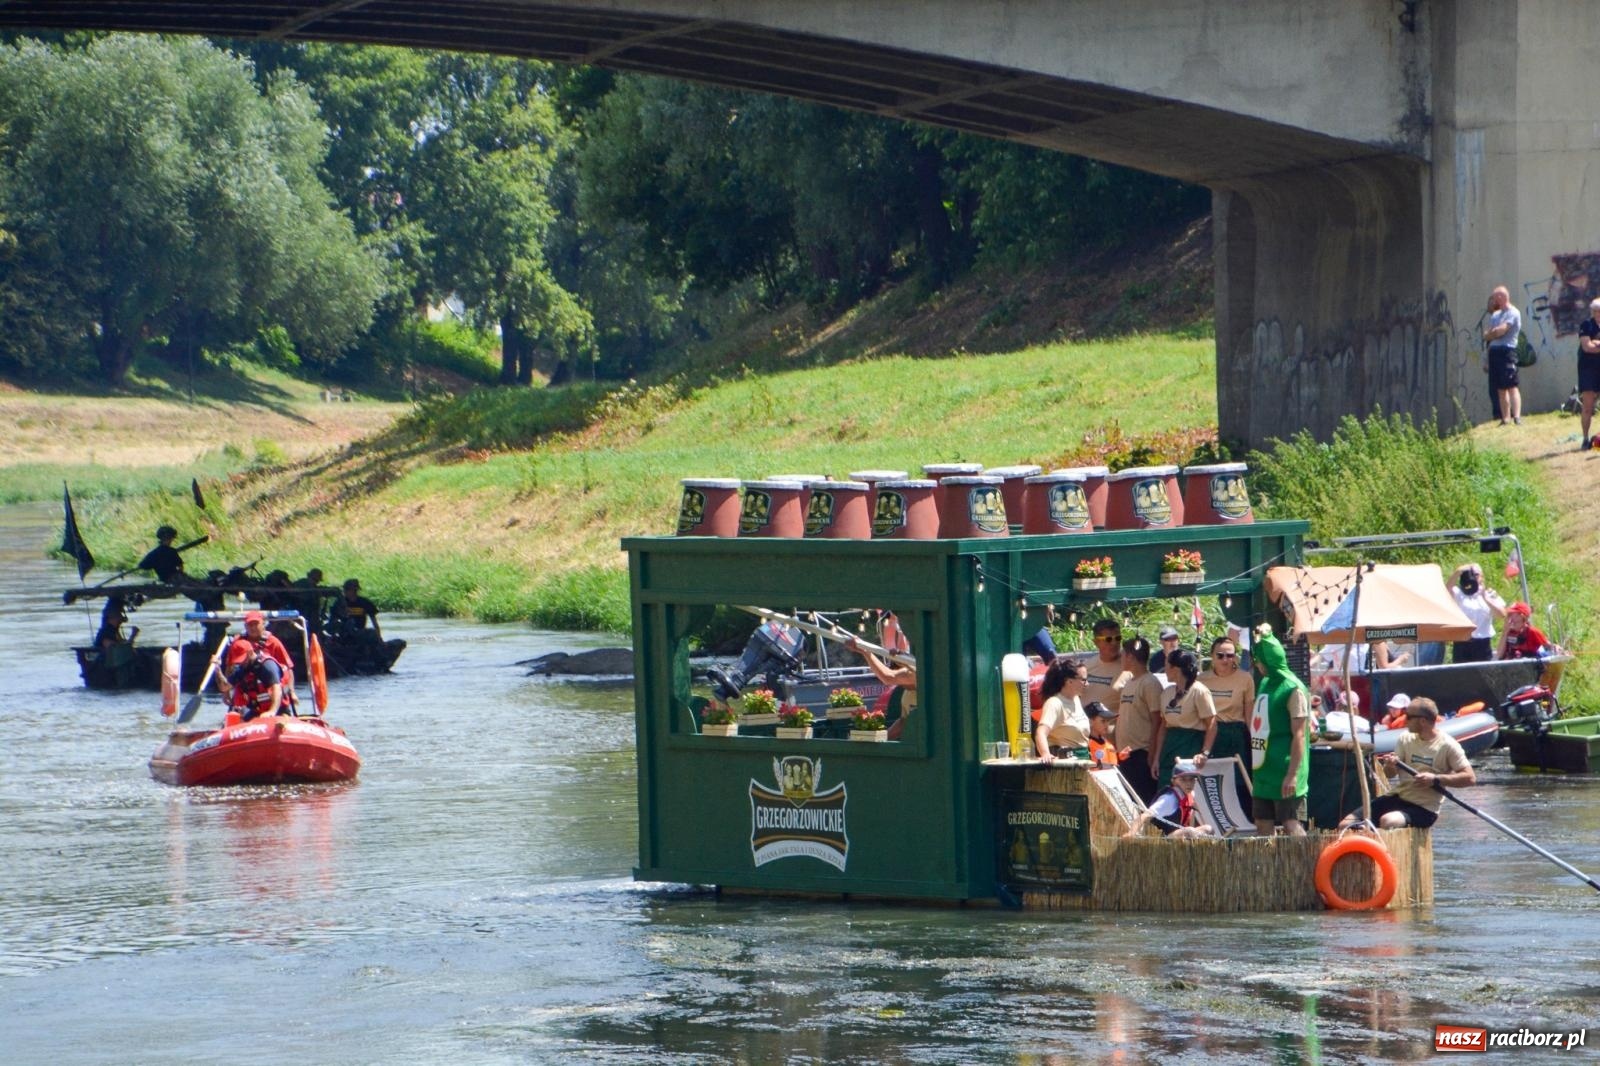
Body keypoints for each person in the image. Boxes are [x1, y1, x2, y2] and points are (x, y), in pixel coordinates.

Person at [1340, 697, 1475, 829]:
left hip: (1425, 809)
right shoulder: (1405, 738)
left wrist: (1435, 779)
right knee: (1346, 824)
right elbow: (1389, 775)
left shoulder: (1448, 745)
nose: (1404, 720)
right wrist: (1390, 765)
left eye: (1409, 717)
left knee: (1387, 821)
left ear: (1422, 721)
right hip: (1399, 797)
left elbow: (1470, 778)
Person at [1250, 628, 1313, 836]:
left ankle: (1303, 866)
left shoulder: (1293, 688)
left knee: (1290, 823)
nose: (1257, 665)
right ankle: (1267, 868)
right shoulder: (1265, 683)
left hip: (1286, 767)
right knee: (1262, 822)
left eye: (1259, 660)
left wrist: (1292, 775)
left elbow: (1300, 734)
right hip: (1264, 767)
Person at [1200, 635, 1256, 807]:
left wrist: (1255, 740)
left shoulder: (1245, 678)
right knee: (1211, 780)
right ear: (1212, 656)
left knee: (1239, 782)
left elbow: (1249, 716)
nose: (1225, 660)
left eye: (1230, 655)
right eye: (1220, 655)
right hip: (1210, 734)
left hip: (1235, 733)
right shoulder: (1202, 679)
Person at [1154, 648, 1217, 786]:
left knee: (1186, 795)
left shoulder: (1199, 691)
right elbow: (1163, 727)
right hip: (1169, 749)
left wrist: (1204, 753)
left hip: (1190, 748)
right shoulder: (1167, 693)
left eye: (1166, 665)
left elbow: (1212, 724)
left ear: (1176, 669)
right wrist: (1157, 758)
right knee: (1166, 792)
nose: (1164, 669)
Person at [1117, 636, 1167, 803]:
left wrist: (1152, 754)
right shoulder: (1129, 682)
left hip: (1142, 753)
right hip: (1125, 754)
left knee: (1144, 800)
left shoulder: (1150, 683)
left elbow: (1157, 721)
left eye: (1123, 654)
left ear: (1131, 657)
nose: (1121, 658)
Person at [224, 610, 297, 712]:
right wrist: (226, 693)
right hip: (246, 697)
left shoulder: (273, 643)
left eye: (256, 624)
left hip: (270, 692)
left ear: (263, 624)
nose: (253, 627)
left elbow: (288, 668)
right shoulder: (238, 644)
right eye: (250, 625)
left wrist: (292, 691)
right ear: (245, 626)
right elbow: (230, 668)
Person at [1124, 759, 1215, 839]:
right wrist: (1131, 833)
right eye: (1183, 779)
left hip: (1178, 833)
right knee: (1189, 832)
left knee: (1208, 829)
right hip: (1161, 838)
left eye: (1191, 779)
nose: (1188, 784)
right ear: (1174, 781)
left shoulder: (1191, 794)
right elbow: (1145, 815)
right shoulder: (1169, 799)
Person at [1034, 657, 1090, 762]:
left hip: (1082, 761)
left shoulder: (1076, 699)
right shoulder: (1054, 703)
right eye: (1083, 680)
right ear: (1069, 681)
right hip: (1064, 765)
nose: (1087, 684)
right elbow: (1040, 733)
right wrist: (1046, 754)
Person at [1449, 562, 1505, 663]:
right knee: (1461, 676)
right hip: (1462, 643)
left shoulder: (1490, 594)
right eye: (1470, 574)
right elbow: (1446, 590)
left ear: (1482, 577)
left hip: (1482, 643)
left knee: (1482, 675)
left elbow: (1501, 614)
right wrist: (1457, 572)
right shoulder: (1459, 593)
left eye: (1476, 574)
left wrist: (1485, 597)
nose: (1473, 577)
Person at [1482, 285, 1523, 425]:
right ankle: (1505, 418)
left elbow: (1502, 331)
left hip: (1507, 351)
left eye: (1495, 297)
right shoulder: (1495, 315)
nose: (1494, 300)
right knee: (1500, 388)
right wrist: (1493, 333)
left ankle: (1516, 416)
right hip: (1494, 352)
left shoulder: (1513, 313)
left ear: (1503, 296)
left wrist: (1494, 333)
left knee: (1511, 385)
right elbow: (1486, 335)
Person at [219, 645, 284, 721]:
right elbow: (224, 687)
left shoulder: (268, 665)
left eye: (243, 659)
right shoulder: (243, 667)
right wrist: (217, 669)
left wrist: (272, 711)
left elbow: (276, 688)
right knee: (238, 716)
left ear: (250, 653)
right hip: (257, 710)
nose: (241, 663)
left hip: (278, 709)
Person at [1081, 618, 1129, 710]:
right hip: (1086, 723)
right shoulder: (1086, 666)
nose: (1114, 643)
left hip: (1113, 723)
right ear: (1096, 642)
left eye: (1118, 638)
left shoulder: (1128, 667)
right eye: (1108, 639)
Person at [1581, 298, 1600, 449]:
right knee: (1588, 405)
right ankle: (1585, 438)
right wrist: (1594, 344)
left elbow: (1593, 345)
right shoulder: (1586, 325)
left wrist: (1597, 343)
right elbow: (1587, 347)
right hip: (1588, 368)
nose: (1598, 314)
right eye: (1596, 311)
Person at [1084, 700, 1125, 768]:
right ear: (1090, 722)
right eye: (1103, 721)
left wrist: (1119, 756)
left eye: (1108, 721)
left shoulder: (1107, 743)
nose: (1107, 724)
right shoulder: (1085, 745)